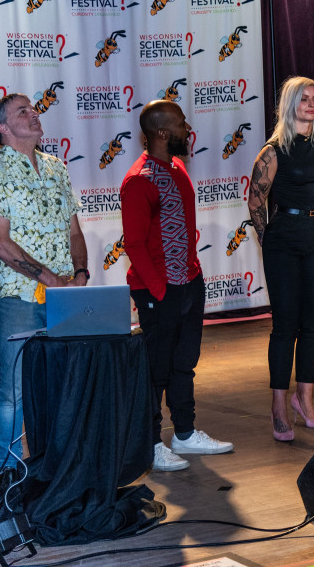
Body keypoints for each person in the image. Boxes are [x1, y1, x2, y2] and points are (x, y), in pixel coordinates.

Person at [0, 93, 89, 476]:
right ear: (2, 129)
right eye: (22, 111)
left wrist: (82, 273)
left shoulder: (55, 167)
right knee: (14, 390)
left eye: (34, 109)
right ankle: (8, 473)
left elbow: (74, 230)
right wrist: (51, 279)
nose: (34, 114)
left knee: (62, 384)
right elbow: (0, 243)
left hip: (64, 297)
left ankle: (56, 467)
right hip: (20, 297)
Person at [121, 99, 232, 472]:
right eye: (182, 124)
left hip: (189, 282)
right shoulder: (139, 181)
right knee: (155, 370)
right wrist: (159, 290)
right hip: (158, 290)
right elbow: (134, 244)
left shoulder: (177, 167)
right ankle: (150, 444)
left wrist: (192, 277)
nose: (188, 129)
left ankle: (184, 433)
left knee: (184, 363)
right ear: (163, 133)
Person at [247, 76, 314, 441]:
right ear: (290, 104)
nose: (311, 105)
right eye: (304, 99)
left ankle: (306, 401)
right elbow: (256, 200)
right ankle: (278, 406)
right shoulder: (272, 151)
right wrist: (269, 238)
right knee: (285, 327)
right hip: (283, 239)